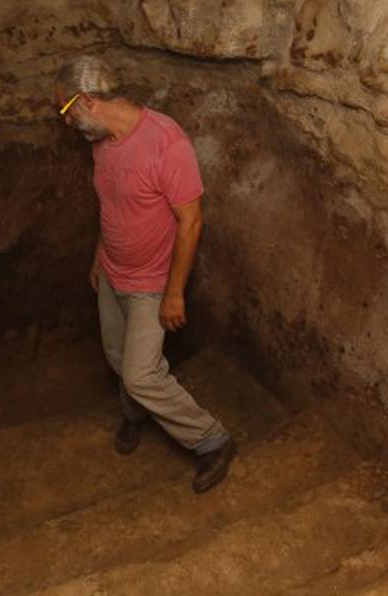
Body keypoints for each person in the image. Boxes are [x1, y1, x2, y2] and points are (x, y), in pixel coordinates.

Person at [53, 55, 236, 494]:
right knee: (119, 359)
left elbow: (190, 222)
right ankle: (137, 415)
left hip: (153, 283)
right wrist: (101, 256)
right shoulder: (102, 142)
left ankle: (213, 440)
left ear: (90, 101)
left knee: (140, 374)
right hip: (114, 273)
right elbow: (113, 205)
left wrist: (175, 292)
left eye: (65, 110)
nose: (65, 122)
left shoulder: (166, 144)